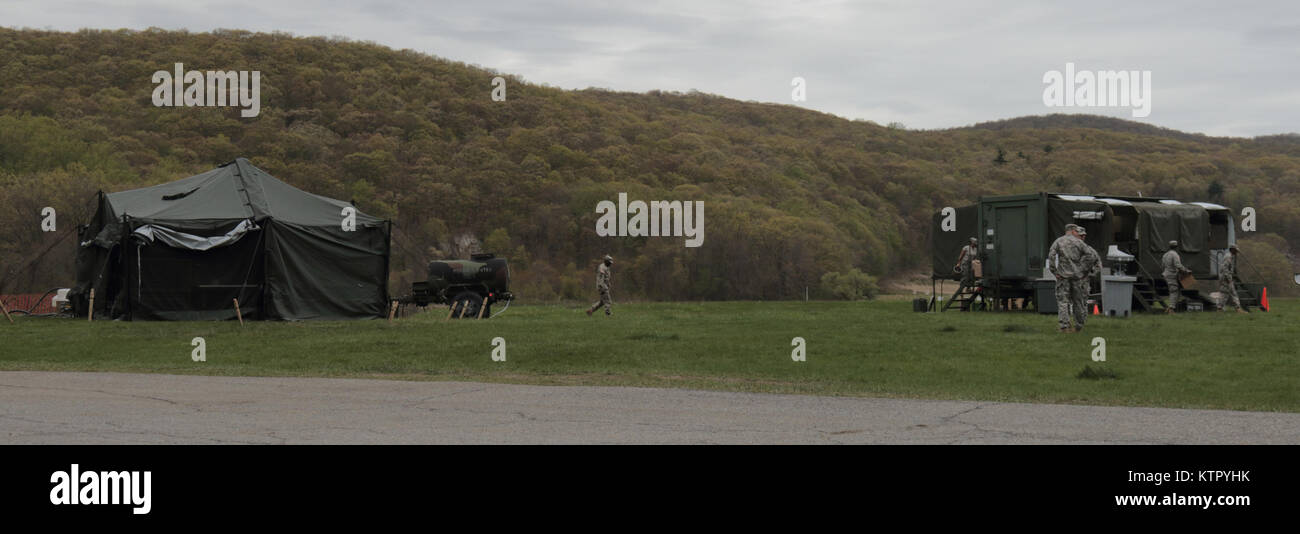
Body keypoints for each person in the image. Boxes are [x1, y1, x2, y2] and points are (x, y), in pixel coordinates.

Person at [1047, 224, 1101, 333]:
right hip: (1077, 277)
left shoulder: (1058, 241)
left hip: (1063, 276)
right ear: (1072, 231)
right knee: (1078, 301)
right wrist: (1083, 271)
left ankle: (1064, 326)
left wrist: (1055, 271)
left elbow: (1051, 256)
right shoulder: (1079, 243)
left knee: (1063, 301)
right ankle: (1079, 326)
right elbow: (1091, 255)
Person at [1161, 240, 1191, 314]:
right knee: (1174, 291)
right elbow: (1178, 265)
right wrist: (1186, 271)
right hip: (1171, 275)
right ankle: (1171, 309)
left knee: (1175, 291)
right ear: (1176, 247)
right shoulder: (1175, 254)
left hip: (1166, 274)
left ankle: (1170, 308)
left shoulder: (1165, 254)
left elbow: (1162, 266)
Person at [1217, 244, 1247, 313]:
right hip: (1226, 278)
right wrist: (1228, 279)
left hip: (1225, 277)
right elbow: (1225, 268)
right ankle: (1238, 309)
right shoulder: (1228, 257)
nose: (1236, 252)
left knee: (1226, 293)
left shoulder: (1230, 256)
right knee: (1232, 293)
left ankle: (1220, 308)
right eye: (1235, 250)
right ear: (1232, 249)